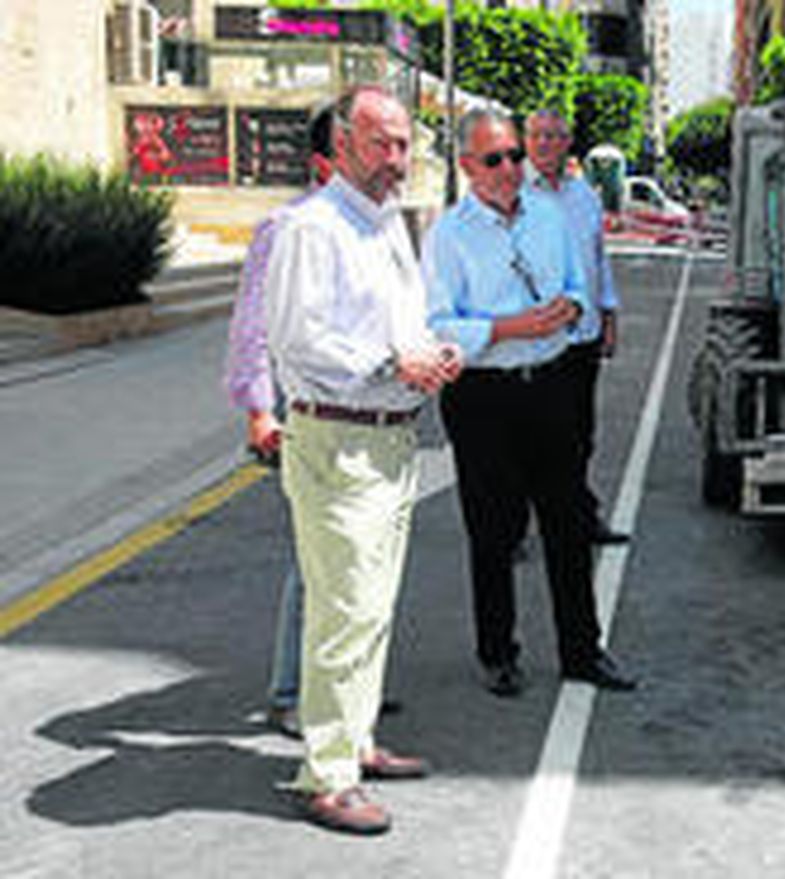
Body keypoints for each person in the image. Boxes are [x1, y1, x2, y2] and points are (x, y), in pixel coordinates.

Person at [265, 85, 463, 835]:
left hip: (387, 436)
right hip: (339, 438)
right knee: (343, 611)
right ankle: (326, 775)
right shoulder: (312, 227)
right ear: (340, 145)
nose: (397, 160)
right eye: (381, 143)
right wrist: (393, 361)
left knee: (372, 609)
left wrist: (429, 354)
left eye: (405, 144)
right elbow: (299, 340)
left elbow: (400, 327)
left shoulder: (384, 226)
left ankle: (355, 740)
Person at [424, 109, 637, 699]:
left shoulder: (548, 217)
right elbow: (438, 324)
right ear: (467, 166)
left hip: (551, 383)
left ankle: (582, 651)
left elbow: (577, 282)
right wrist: (508, 327)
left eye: (515, 156)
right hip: (483, 395)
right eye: (494, 159)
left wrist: (569, 310)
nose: (510, 169)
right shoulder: (448, 234)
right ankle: (498, 652)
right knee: (492, 531)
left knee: (567, 525)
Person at [223, 105, 335, 740]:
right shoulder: (286, 227)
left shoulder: (371, 227)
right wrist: (260, 409)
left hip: (365, 417)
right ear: (325, 160)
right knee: (313, 556)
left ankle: (342, 683)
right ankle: (293, 691)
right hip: (305, 412)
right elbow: (252, 327)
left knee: (356, 560)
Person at [522, 109, 628, 546]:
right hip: (530, 340)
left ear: (568, 143)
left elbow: (598, 259)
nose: (545, 143)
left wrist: (609, 315)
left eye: (554, 136)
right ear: (525, 142)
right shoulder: (508, 193)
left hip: (581, 338)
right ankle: (514, 531)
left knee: (579, 437)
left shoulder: (584, 197)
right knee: (528, 437)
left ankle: (579, 519)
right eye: (537, 136)